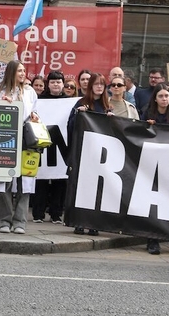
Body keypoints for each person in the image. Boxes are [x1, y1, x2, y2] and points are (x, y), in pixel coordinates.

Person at [0, 60, 40, 234]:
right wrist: (5, 105)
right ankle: (4, 221)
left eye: (24, 70)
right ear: (11, 72)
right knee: (5, 180)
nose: (22, 74)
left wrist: (35, 116)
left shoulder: (30, 92)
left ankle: (20, 221)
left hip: (26, 140)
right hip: (4, 139)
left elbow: (35, 111)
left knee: (25, 181)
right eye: (19, 70)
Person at [67, 72, 113, 235]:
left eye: (102, 84)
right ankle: (79, 221)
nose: (99, 87)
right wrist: (78, 114)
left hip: (101, 155)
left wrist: (112, 120)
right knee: (82, 188)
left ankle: (94, 223)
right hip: (83, 152)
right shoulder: (81, 103)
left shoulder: (108, 106)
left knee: (98, 189)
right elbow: (70, 127)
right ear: (91, 86)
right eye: (96, 84)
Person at [141, 83, 169, 254]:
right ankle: (151, 239)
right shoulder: (146, 114)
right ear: (155, 99)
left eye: (166, 96)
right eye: (161, 96)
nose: (164, 99)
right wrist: (146, 126)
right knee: (151, 203)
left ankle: (158, 236)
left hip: (168, 166)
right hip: (149, 165)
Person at [32, 70, 67, 224]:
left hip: (61, 145)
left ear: (63, 84)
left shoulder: (69, 101)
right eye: (53, 82)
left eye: (58, 82)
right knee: (41, 180)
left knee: (60, 181)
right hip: (43, 142)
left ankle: (56, 214)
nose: (56, 84)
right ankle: (38, 213)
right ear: (48, 84)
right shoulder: (40, 100)